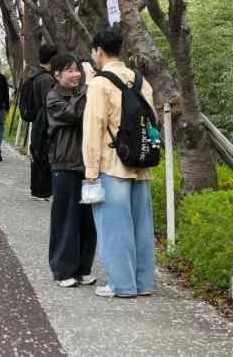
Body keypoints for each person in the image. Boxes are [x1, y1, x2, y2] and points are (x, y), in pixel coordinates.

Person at [82, 28, 156, 298]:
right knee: (141, 226)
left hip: (113, 163)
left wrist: (90, 169)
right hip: (140, 161)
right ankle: (144, 282)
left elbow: (94, 128)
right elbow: (151, 121)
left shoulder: (99, 83)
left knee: (114, 226)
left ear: (99, 50)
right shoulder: (141, 81)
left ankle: (122, 284)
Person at [46, 54, 96, 288]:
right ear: (57, 75)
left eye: (77, 70)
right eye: (70, 70)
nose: (76, 74)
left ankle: (83, 268)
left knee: (87, 220)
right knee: (66, 218)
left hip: (87, 164)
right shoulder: (53, 97)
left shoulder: (81, 94)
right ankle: (62, 270)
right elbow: (72, 114)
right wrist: (87, 88)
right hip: (64, 164)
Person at [25, 44, 56, 200]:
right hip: (44, 121)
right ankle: (42, 191)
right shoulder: (46, 79)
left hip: (37, 121)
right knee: (43, 155)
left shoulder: (34, 75)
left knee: (38, 154)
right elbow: (48, 103)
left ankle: (37, 189)